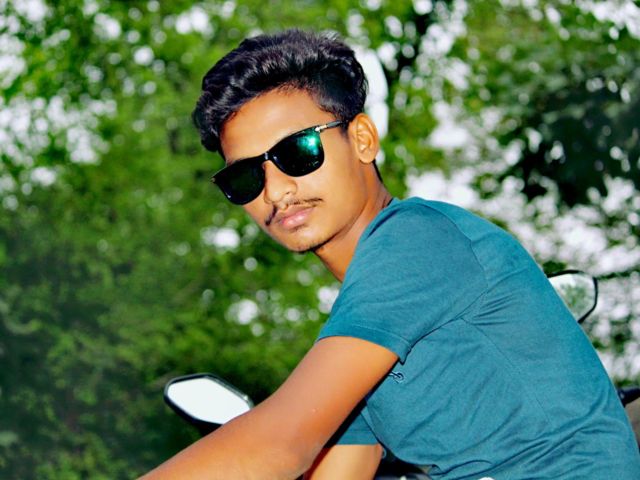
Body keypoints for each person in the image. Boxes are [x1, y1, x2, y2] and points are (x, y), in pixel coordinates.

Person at [141, 29, 640, 479]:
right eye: (246, 176)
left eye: (296, 153)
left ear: (362, 139)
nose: (275, 192)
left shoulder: (416, 242)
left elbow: (280, 443)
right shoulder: (366, 334)